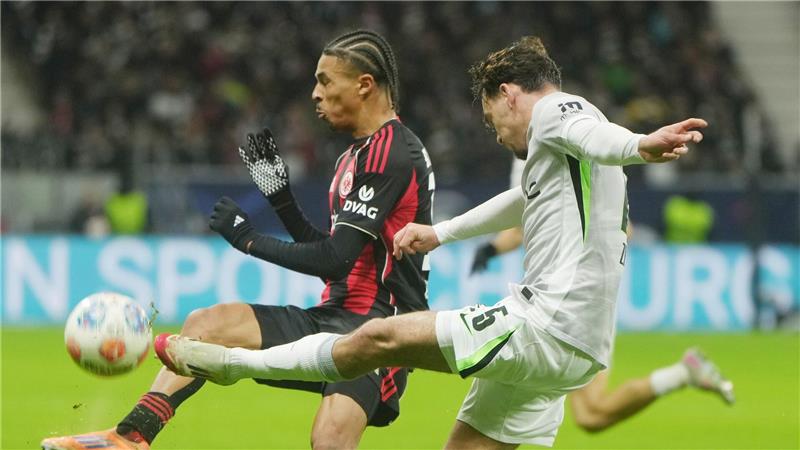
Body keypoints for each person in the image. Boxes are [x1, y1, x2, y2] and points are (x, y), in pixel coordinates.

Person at [154, 36, 711, 448]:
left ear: (509, 94)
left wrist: (642, 143)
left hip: (544, 326)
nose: (497, 133)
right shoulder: (557, 160)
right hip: (579, 349)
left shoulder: (557, 113)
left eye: (493, 118)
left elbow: (595, 134)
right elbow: (523, 202)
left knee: (377, 339)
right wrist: (440, 233)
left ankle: (227, 364)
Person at [42, 29, 435, 450]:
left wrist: (247, 239)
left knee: (330, 440)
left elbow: (334, 259)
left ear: (363, 85)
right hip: (333, 317)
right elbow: (339, 252)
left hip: (379, 331)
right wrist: (281, 197)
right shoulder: (354, 156)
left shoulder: (392, 152)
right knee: (205, 326)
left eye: (324, 80)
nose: (314, 94)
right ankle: (131, 437)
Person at [470, 160, 734, 434]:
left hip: (577, 302)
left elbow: (620, 228)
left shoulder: (556, 149)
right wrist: (492, 249)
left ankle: (684, 372)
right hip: (560, 300)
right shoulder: (544, 151)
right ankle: (683, 373)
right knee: (588, 416)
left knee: (587, 411)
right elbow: (524, 225)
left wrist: (493, 248)